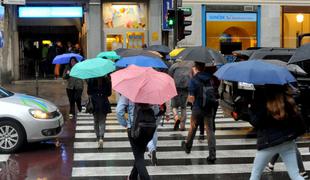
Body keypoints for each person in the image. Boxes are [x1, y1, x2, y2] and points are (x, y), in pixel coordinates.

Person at [248, 85, 306, 180]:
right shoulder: (287, 101)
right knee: (295, 175)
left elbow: (256, 122)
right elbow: (299, 122)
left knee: (255, 174)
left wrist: (250, 109)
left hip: (268, 144)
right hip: (288, 142)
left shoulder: (263, 102)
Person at [181, 62, 219, 164]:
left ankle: (188, 147)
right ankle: (212, 155)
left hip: (197, 107)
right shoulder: (210, 78)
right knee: (210, 130)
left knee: (193, 127)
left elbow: (191, 97)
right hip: (209, 107)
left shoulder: (194, 80)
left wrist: (190, 103)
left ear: (196, 68)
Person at [116, 94, 158, 180]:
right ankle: (132, 177)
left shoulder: (129, 91)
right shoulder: (151, 91)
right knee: (139, 154)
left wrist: (126, 124)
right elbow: (156, 111)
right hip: (149, 128)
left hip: (134, 128)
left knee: (139, 157)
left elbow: (119, 110)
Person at [87, 76, 112, 148]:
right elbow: (109, 93)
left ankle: (98, 138)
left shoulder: (91, 79)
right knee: (102, 121)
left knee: (96, 121)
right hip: (104, 102)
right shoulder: (107, 80)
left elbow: (89, 92)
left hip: (95, 102)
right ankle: (101, 137)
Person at [168, 60, 193, 131]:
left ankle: (176, 118)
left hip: (175, 88)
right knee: (183, 107)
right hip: (185, 89)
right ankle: (182, 126)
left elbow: (169, 76)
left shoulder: (174, 66)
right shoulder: (189, 67)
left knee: (174, 106)